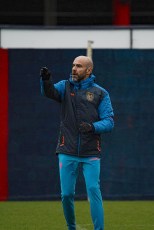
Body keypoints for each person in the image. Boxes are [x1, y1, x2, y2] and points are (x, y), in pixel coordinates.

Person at [39, 56, 114, 230]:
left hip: (91, 152)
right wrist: (45, 80)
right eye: (73, 65)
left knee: (93, 191)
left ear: (89, 70)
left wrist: (92, 127)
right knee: (66, 194)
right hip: (67, 149)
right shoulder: (65, 86)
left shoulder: (100, 93)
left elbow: (109, 121)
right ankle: (71, 227)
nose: (74, 69)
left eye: (78, 66)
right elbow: (49, 92)